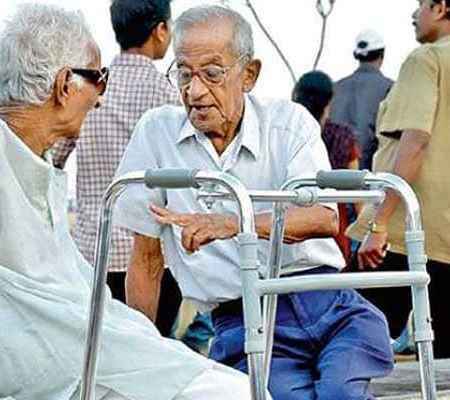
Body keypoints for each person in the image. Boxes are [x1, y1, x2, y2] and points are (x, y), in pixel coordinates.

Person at [0, 4, 257, 400]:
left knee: (230, 386)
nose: (100, 97)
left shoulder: (32, 154)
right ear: (65, 85)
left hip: (90, 350)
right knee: (233, 391)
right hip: (58, 367)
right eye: (99, 79)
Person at [114, 5, 393, 399]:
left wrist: (233, 222)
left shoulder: (288, 123)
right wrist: (139, 359)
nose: (194, 92)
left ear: (249, 74)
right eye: (184, 74)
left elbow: (323, 217)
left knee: (340, 392)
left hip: (326, 303)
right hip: (244, 320)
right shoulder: (157, 134)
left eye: (212, 74)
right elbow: (145, 260)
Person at [50, 0, 182, 337]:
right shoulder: (170, 96)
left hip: (92, 256)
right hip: (155, 262)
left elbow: (51, 160)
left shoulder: (88, 90)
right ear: (160, 30)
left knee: (95, 357)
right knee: (151, 353)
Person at [347, 0, 450, 358]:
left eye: (421, 5)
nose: (414, 15)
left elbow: (415, 141)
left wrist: (378, 224)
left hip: (409, 232)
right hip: (444, 238)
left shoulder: (427, 60)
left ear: (441, 8)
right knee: (443, 363)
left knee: (349, 338)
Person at [292, 70, 362, 266]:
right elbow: (356, 195)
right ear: (329, 101)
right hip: (334, 228)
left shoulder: (286, 136)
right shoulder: (343, 136)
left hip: (292, 226)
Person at [329, 28, 393, 170]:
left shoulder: (334, 88)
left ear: (356, 55)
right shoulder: (390, 89)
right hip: (371, 176)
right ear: (382, 55)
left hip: (332, 177)